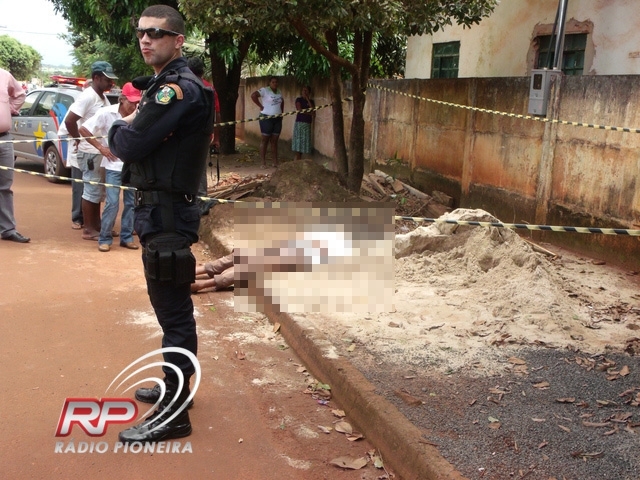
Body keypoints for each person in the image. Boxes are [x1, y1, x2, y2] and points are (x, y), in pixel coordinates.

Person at [108, 4, 214, 443]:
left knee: (173, 312)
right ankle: (178, 391)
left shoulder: (176, 90)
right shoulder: (164, 87)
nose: (146, 39)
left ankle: (175, 412)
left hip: (169, 212)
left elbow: (129, 143)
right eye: (141, 33)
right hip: (161, 209)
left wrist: (118, 124)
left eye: (156, 33)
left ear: (178, 40)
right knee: (170, 308)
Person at [78, 82, 141, 252]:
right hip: (113, 165)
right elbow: (83, 129)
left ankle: (126, 237)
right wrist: (101, 148)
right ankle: (105, 237)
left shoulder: (141, 114)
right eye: (131, 102)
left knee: (131, 203)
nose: (134, 106)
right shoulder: (106, 113)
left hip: (132, 165)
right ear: (122, 99)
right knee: (112, 203)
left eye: (137, 102)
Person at [65, 61, 117, 240]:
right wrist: (78, 140)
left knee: (97, 190)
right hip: (90, 151)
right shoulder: (88, 96)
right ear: (96, 78)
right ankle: (89, 229)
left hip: (98, 152)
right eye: (107, 79)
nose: (111, 83)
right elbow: (70, 121)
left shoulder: (101, 96)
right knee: (91, 190)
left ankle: (97, 225)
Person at [187, 56, 221, 215]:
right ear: (202, 71)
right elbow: (217, 115)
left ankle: (193, 201)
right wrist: (217, 138)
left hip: (185, 136)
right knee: (199, 169)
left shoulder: (185, 85)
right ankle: (200, 200)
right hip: (204, 136)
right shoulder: (209, 88)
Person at [0, 68, 29, 243]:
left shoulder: (4, 75)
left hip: (4, 139)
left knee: (5, 186)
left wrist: (7, 110)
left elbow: (20, 94)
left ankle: (8, 229)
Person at [251, 76, 284, 167]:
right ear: (269, 83)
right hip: (266, 118)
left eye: (276, 82)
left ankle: (275, 162)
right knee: (265, 140)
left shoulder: (279, 91)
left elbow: (282, 101)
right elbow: (253, 95)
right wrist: (260, 106)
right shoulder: (264, 90)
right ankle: (263, 162)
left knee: (274, 141)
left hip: (277, 118)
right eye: (273, 82)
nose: (275, 84)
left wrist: (282, 113)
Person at [292, 85, 315, 160]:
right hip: (300, 124)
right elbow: (300, 110)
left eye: (306, 91)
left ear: (309, 92)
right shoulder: (299, 100)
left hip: (307, 124)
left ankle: (300, 161)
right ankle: (297, 160)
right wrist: (310, 113)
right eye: (303, 90)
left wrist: (308, 100)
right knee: (298, 145)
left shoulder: (311, 101)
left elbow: (313, 112)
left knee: (304, 145)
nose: (304, 92)